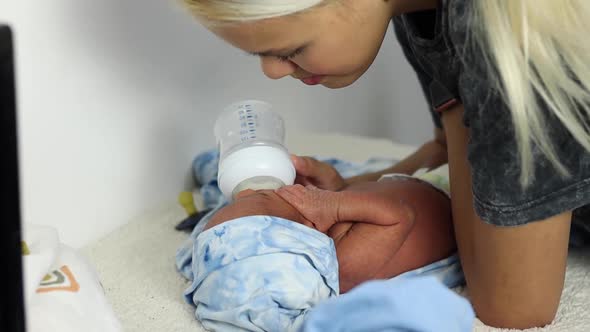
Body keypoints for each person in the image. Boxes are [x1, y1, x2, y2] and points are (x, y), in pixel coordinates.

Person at [181, 0, 590, 328]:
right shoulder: (420, 13)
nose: (270, 72)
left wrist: (341, 203)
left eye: (291, 50)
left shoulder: (500, 41)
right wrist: (350, 191)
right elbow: (448, 149)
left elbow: (517, 309)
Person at [205, 173, 456, 293]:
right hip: (457, 206)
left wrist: (337, 190)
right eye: (265, 195)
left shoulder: (324, 227)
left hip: (410, 180)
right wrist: (332, 204)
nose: (245, 192)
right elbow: (400, 216)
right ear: (304, 228)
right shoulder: (343, 265)